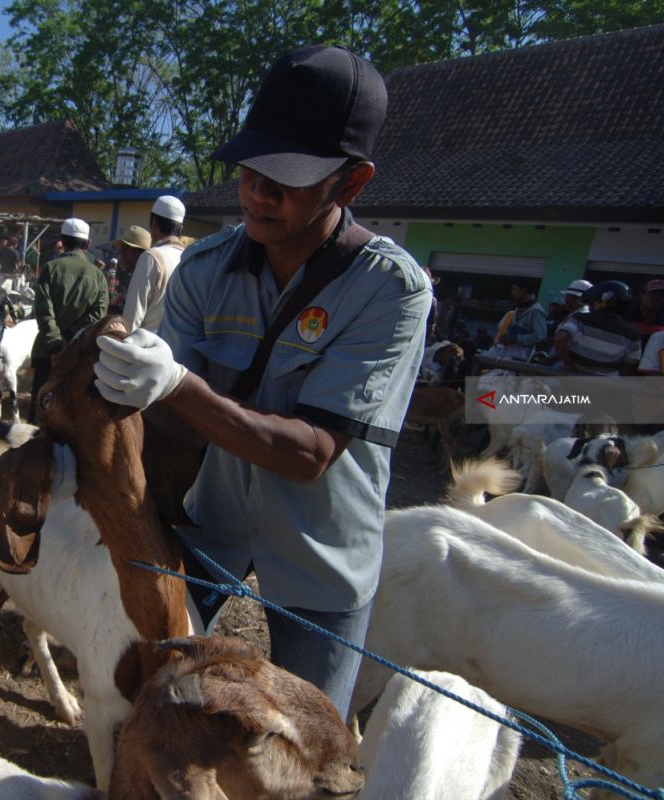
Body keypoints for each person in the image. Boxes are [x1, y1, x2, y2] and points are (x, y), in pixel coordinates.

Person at [92, 45, 430, 714]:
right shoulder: (205, 268)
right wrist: (117, 392)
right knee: (160, 705)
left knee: (310, 738)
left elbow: (308, 454)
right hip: (209, 527)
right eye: (251, 169)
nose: (258, 192)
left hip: (322, 554)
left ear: (352, 183)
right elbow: (166, 420)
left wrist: (177, 387)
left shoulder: (389, 290)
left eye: (289, 177)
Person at [30, 217, 107, 422]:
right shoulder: (98, 276)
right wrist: (70, 339)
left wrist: (56, 346)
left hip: (46, 354)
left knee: (40, 415)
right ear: (88, 244)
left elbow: (43, 312)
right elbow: (99, 314)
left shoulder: (50, 269)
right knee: (70, 418)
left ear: (62, 241)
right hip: (79, 357)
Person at [122, 195, 187, 332]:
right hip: (177, 349)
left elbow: (132, 317)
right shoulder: (190, 259)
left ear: (153, 223)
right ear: (180, 229)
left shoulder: (151, 257)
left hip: (146, 348)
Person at [553, 280, 641, 375]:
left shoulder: (579, 319)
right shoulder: (633, 334)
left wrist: (568, 365)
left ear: (603, 300)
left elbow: (559, 338)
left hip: (572, 380)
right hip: (605, 386)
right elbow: (628, 367)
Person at [488, 277, 546, 363]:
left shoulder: (536, 311)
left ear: (524, 290)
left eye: (514, 289)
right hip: (507, 354)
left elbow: (540, 335)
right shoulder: (517, 309)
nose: (512, 293)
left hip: (520, 358)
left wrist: (516, 339)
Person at [110, 224, 151, 314]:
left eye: (124, 249)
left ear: (138, 252)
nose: (119, 254)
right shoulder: (132, 277)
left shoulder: (144, 280)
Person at [623, 278, 664, 347]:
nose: (657, 298)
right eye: (652, 294)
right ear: (642, 295)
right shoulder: (625, 317)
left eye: (662, 295)